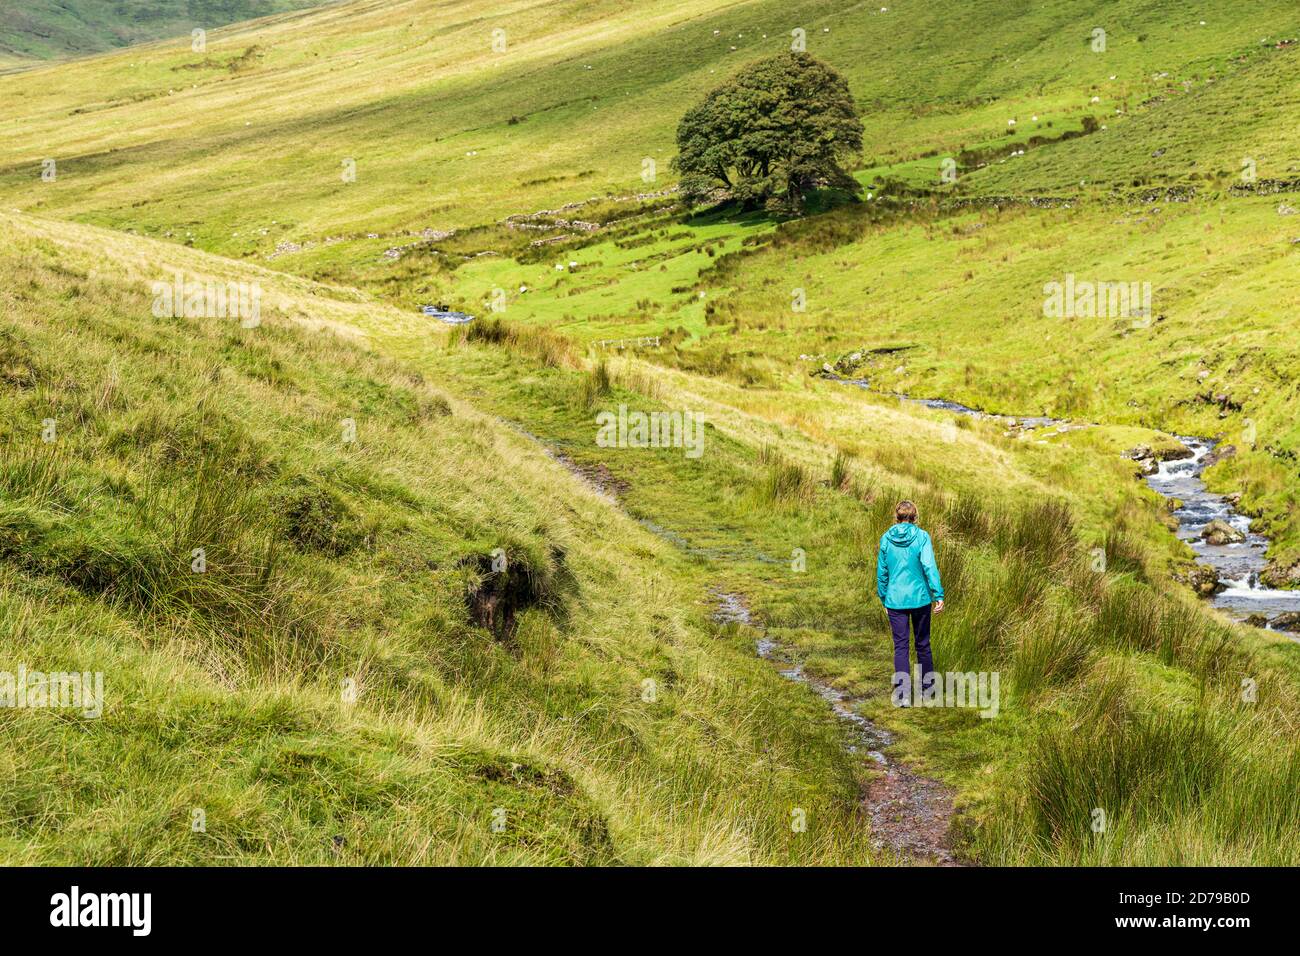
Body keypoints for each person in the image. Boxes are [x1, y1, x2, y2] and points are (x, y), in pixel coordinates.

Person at [876, 500, 944, 705]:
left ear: (897, 517)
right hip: (920, 598)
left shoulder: (886, 538)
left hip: (895, 600)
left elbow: (882, 573)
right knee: (923, 644)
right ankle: (928, 691)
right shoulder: (922, 537)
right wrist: (938, 594)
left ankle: (903, 696)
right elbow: (929, 566)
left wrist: (884, 598)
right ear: (915, 517)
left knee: (901, 647)